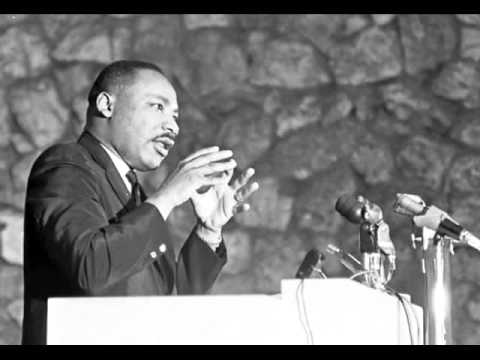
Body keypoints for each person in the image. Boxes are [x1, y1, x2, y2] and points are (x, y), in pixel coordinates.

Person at [21, 60, 259, 345]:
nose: (172, 126)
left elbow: (170, 301)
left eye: (175, 116)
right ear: (106, 105)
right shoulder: (66, 164)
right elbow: (90, 265)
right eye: (157, 106)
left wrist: (208, 230)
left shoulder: (136, 197)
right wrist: (168, 196)